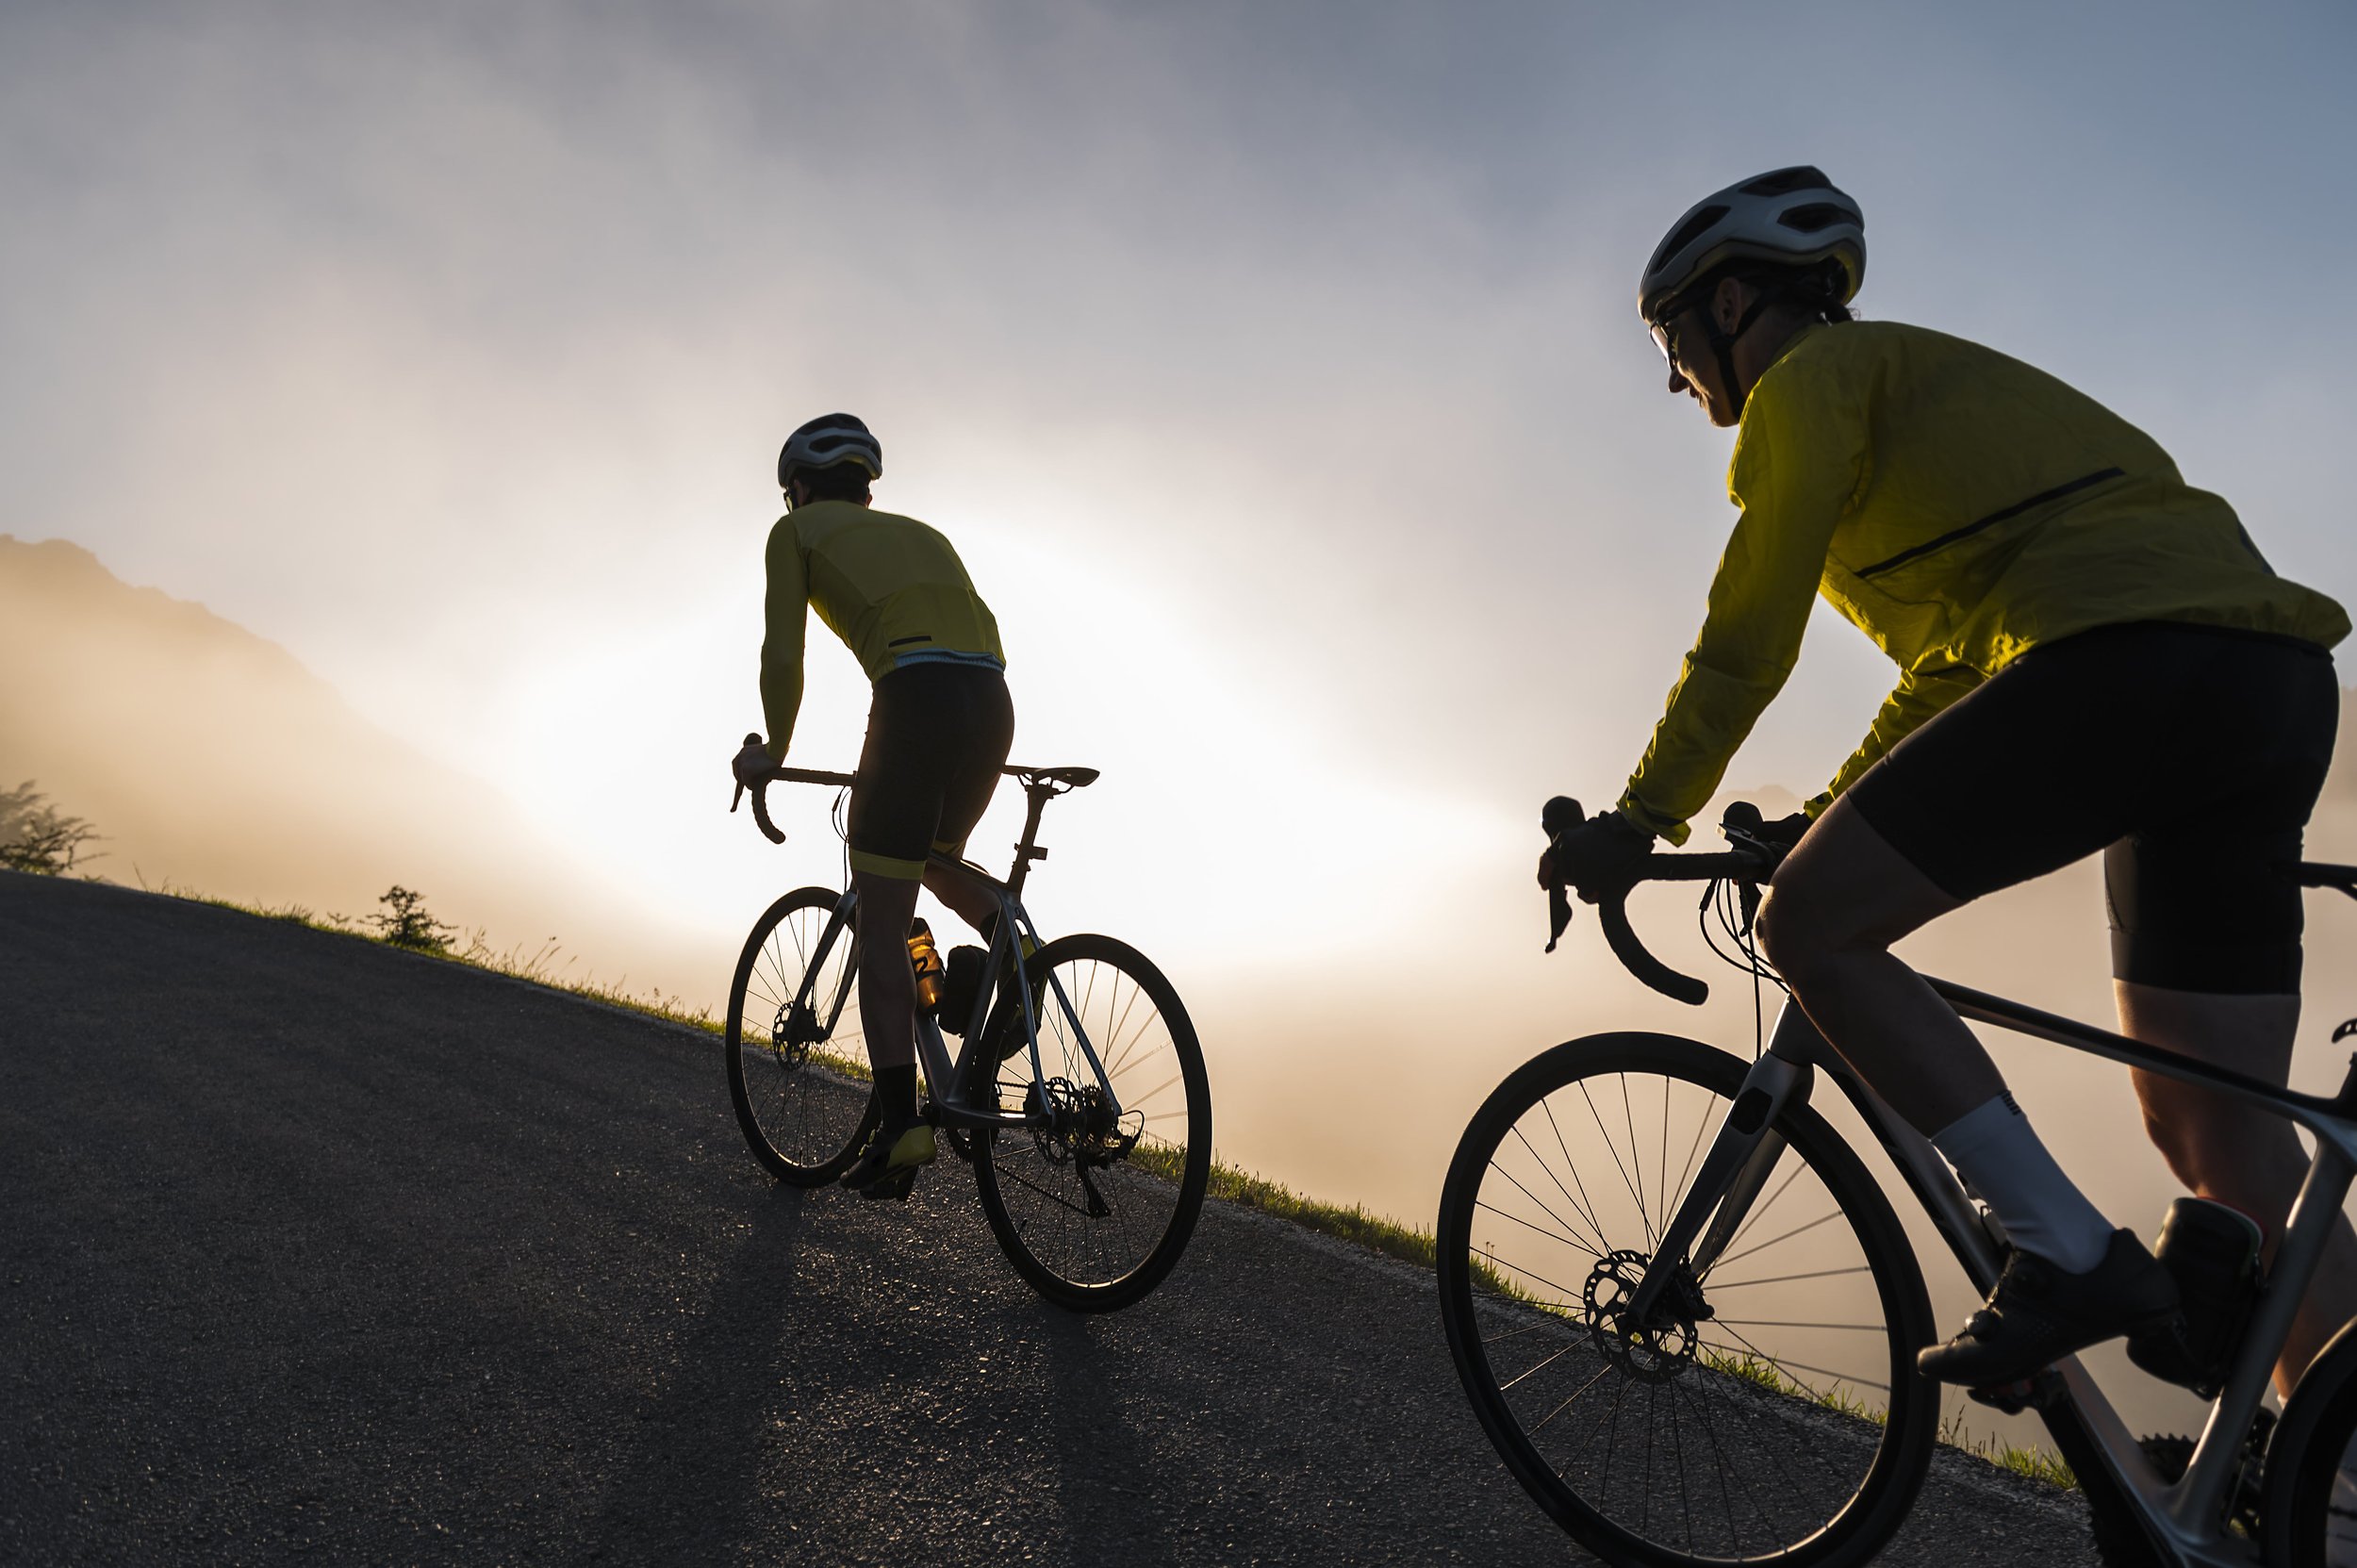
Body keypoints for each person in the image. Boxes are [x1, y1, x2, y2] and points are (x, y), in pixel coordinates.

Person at [1543, 167, 2355, 1395]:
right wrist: (1830, 811)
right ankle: (2319, 1476)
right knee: (2221, 1130)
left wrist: (1641, 815)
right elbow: (1950, 667)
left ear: (1730, 302)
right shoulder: (1922, 394)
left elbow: (1747, 634)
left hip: (2126, 664)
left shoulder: (1806, 385)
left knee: (1809, 926)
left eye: (1669, 339)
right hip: (2269, 687)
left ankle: (2065, 1252)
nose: (1673, 378)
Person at [732, 413, 1014, 1198]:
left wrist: (773, 749)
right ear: (864, 488)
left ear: (798, 488)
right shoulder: (924, 533)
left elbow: (782, 650)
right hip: (991, 703)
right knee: (935, 860)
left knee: (882, 919)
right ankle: (1008, 972)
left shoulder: (793, 533)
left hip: (915, 699)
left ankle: (900, 1127)